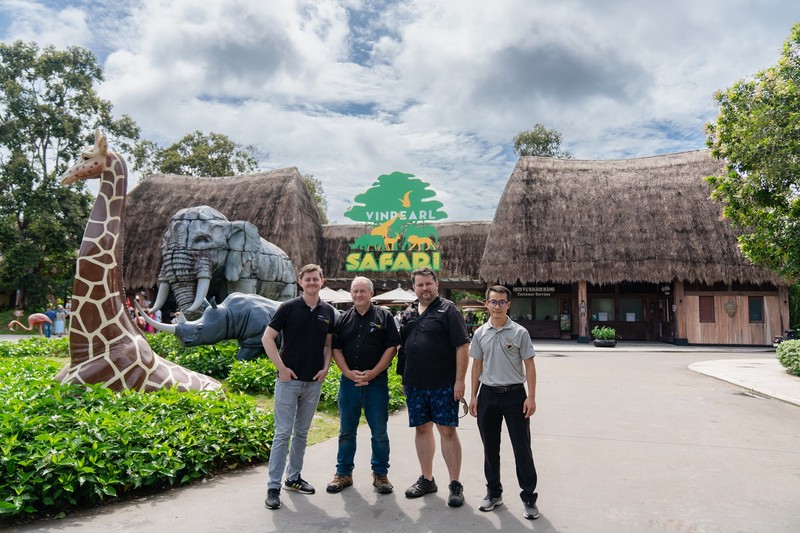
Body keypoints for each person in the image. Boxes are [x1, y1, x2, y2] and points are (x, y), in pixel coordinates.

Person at [261, 264, 336, 511]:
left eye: (316, 278)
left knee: (302, 433)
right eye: (308, 279)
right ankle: (273, 487)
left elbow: (328, 346)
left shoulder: (328, 311)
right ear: (300, 282)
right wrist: (281, 368)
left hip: (313, 382)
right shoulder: (287, 308)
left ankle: (293, 478)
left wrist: (326, 368)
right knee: (283, 433)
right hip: (288, 382)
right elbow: (267, 338)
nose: (312, 282)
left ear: (322, 281)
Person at [397, 267, 470, 507]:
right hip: (415, 384)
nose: (424, 288)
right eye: (420, 285)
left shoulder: (448, 310)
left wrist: (459, 381)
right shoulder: (407, 313)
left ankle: (455, 484)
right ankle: (427, 479)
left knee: (447, 431)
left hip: (443, 384)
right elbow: (404, 350)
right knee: (421, 430)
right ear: (414, 288)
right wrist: (403, 379)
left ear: (436, 284)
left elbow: (462, 346)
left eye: (428, 284)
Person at [469, 285, 539, 520]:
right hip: (488, 395)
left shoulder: (520, 333)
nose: (497, 306)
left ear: (508, 305)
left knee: (522, 448)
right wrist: (473, 396)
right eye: (493, 301)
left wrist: (531, 396)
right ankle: (493, 492)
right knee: (490, 448)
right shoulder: (480, 333)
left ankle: (529, 496)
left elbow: (529, 365)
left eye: (501, 302)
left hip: (515, 396)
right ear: (486, 304)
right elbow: (476, 365)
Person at [326, 276, 400, 495]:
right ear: (351, 293)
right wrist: (348, 373)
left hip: (376, 383)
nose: (358, 295)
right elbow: (335, 348)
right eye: (355, 291)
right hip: (348, 384)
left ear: (371, 293)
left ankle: (380, 474)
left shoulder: (384, 316)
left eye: (362, 291)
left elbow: (392, 348)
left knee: (379, 433)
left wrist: (374, 372)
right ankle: (343, 474)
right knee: (346, 432)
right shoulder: (342, 319)